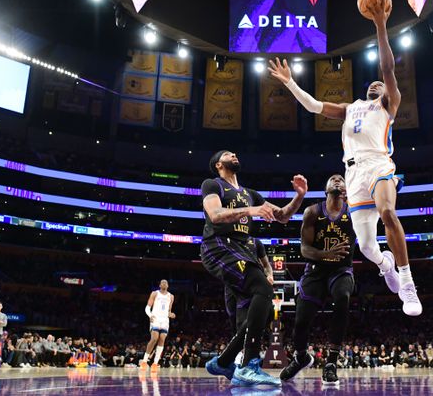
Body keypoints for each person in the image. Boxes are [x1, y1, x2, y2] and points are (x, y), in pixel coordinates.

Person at [269, 0, 421, 317]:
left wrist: (381, 24)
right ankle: (385, 264)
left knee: (388, 213)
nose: (377, 85)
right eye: (374, 84)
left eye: (382, 85)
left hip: (379, 164)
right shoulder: (350, 108)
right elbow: (313, 106)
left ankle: (407, 282)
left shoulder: (388, 104)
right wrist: (291, 83)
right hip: (353, 175)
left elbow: (388, 67)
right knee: (366, 246)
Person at [201, 150, 307, 386]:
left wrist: (299, 197)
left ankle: (225, 361)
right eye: (229, 154)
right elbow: (216, 215)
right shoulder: (213, 184)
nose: (235, 155)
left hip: (241, 250)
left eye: (236, 153)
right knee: (263, 289)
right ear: (219, 164)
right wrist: (251, 211)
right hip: (218, 246)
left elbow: (281, 216)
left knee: (266, 309)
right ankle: (249, 364)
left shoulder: (250, 193)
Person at [280, 175, 355, 385]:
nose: (337, 181)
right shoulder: (312, 212)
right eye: (332, 179)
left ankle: (331, 361)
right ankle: (301, 357)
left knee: (342, 297)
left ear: (347, 190)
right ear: (325, 188)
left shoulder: (353, 212)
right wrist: (325, 254)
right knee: (301, 320)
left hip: (341, 270)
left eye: (341, 179)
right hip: (316, 270)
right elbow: (304, 248)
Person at [139, 279, 176, 372]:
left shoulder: (171, 296)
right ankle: (144, 361)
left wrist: (171, 314)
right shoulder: (155, 293)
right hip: (155, 318)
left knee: (162, 339)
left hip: (164, 320)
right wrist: (150, 315)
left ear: (168, 286)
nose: (164, 283)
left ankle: (155, 363)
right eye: (162, 282)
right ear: (159, 285)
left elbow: (168, 311)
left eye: (166, 282)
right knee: (154, 338)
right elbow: (147, 307)